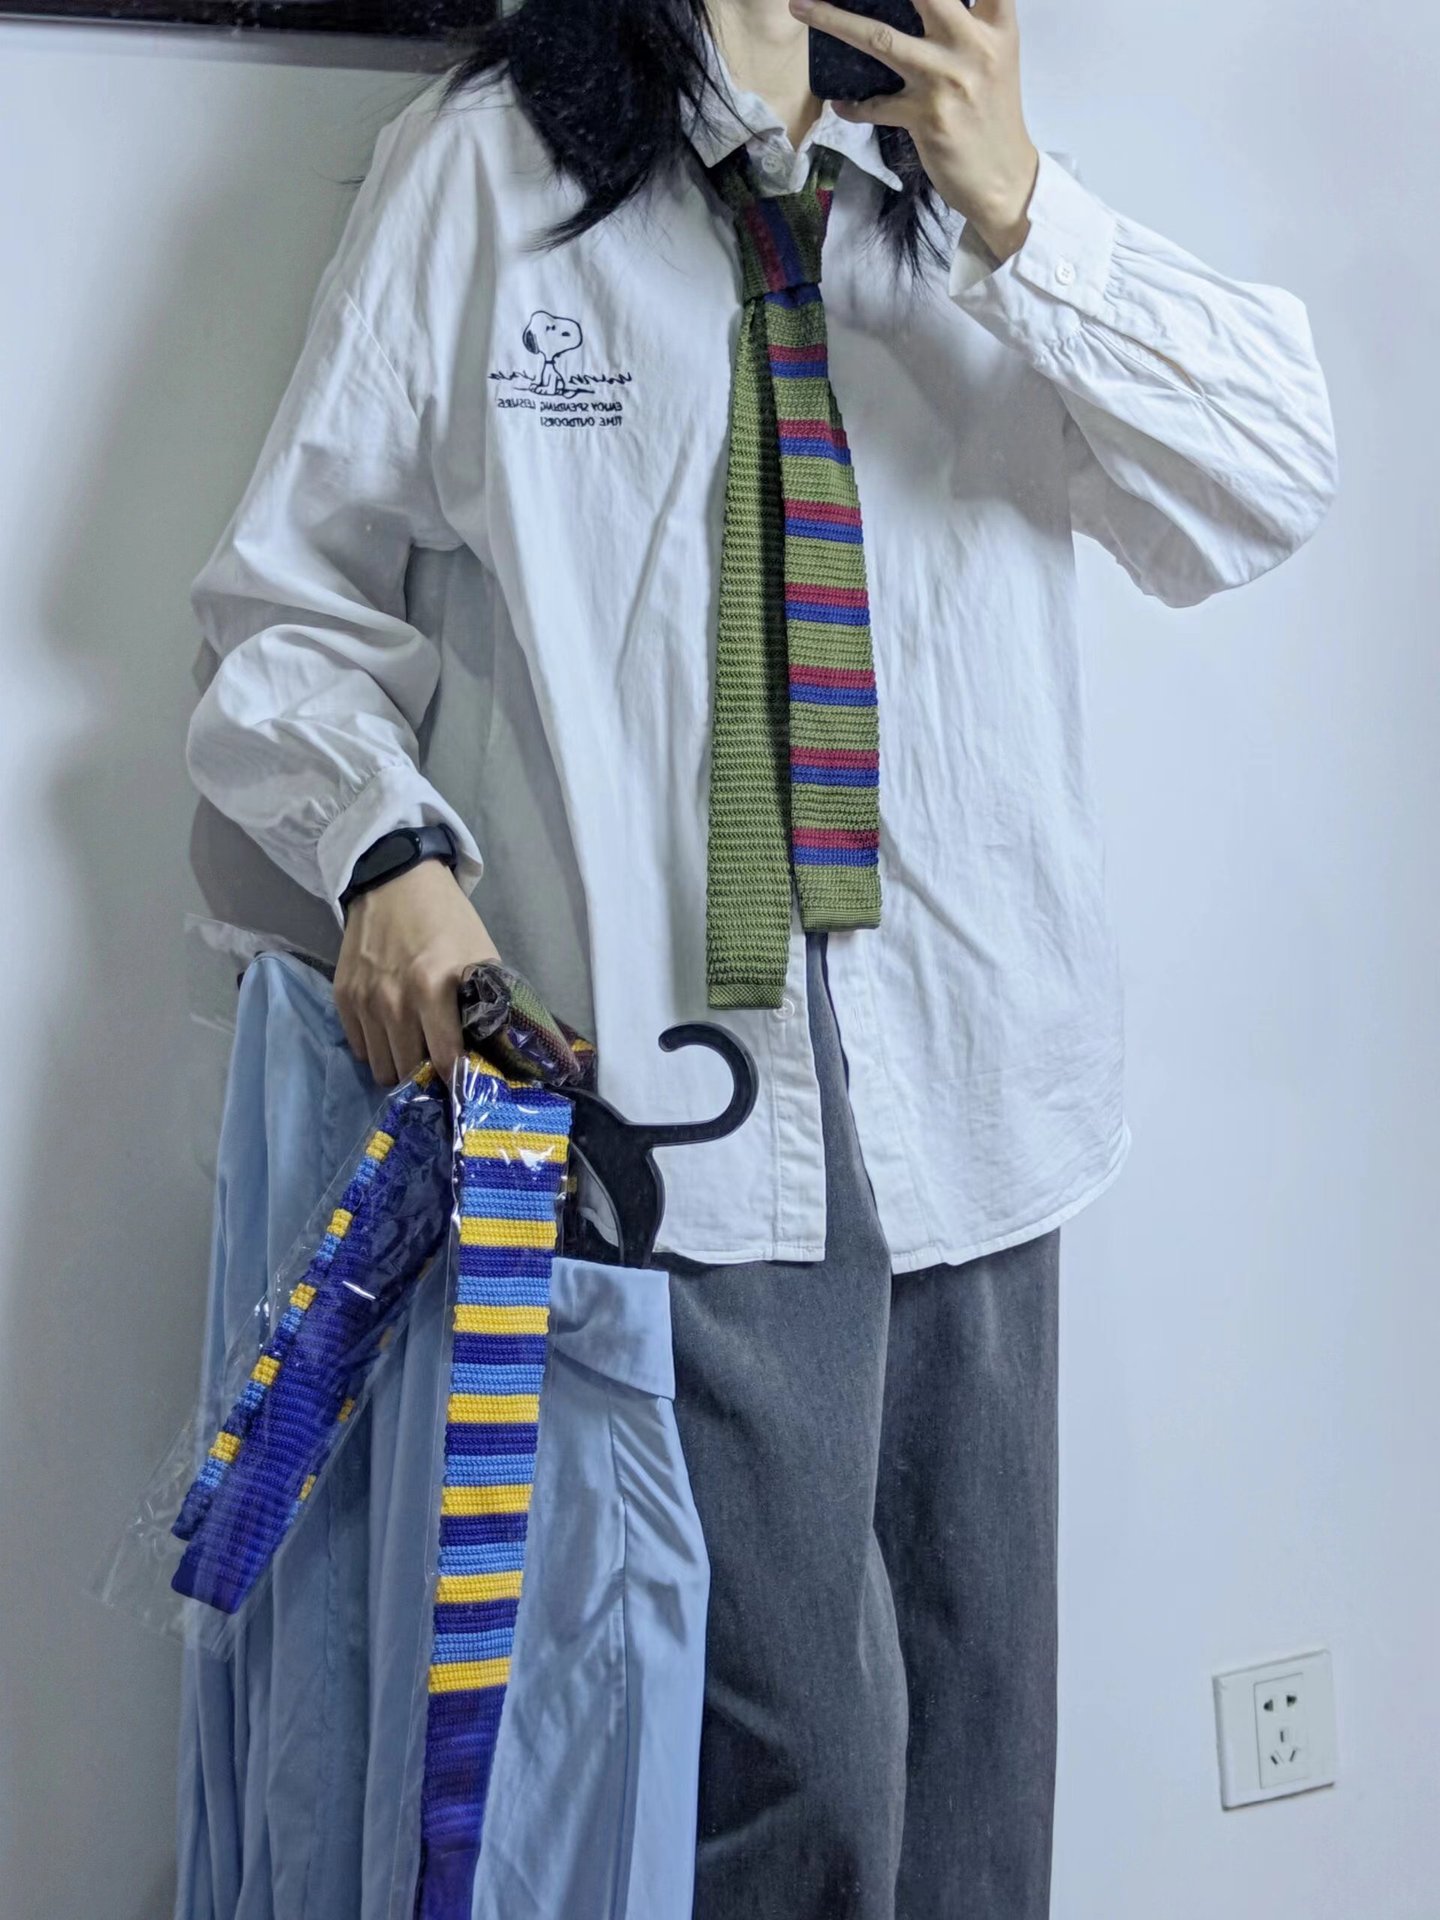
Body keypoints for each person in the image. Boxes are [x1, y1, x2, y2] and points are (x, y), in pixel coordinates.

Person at [184, 0, 1338, 1911]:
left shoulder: (959, 197)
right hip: (671, 1111)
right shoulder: (492, 170)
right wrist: (384, 853)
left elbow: (1271, 479)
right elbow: (288, 603)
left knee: (979, 1745)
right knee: (788, 1776)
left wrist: (1022, 206)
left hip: (980, 1075)